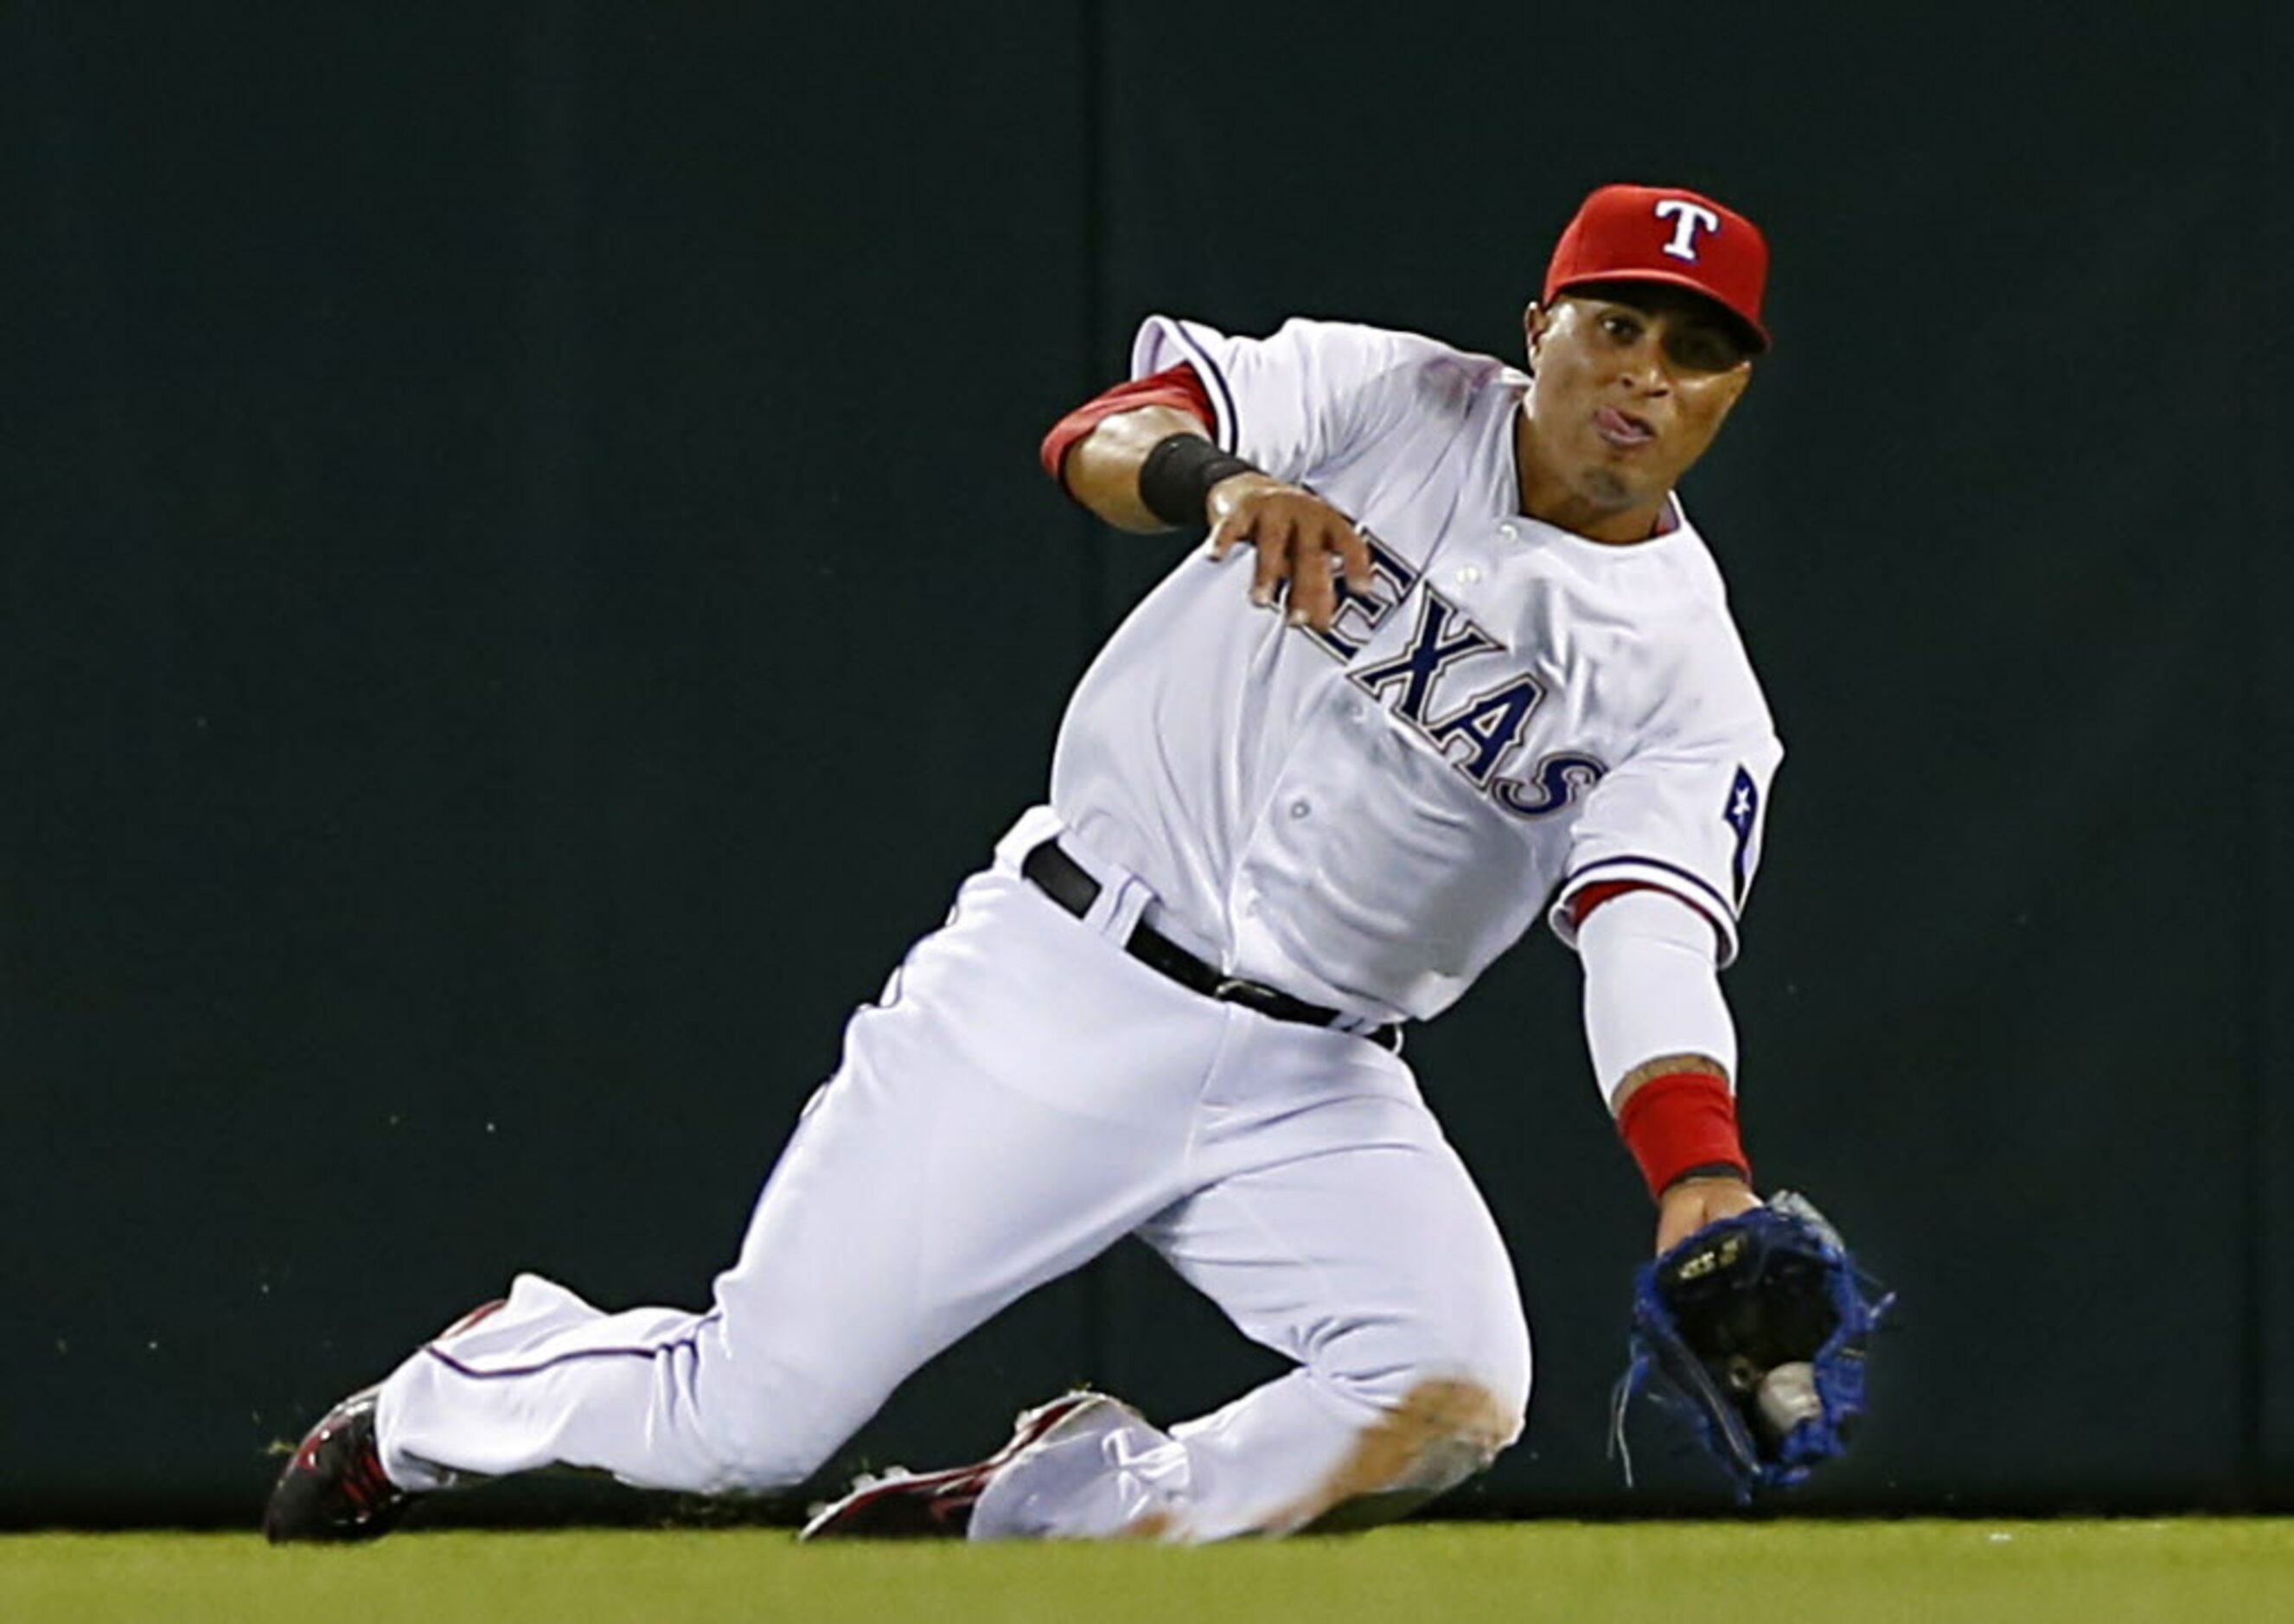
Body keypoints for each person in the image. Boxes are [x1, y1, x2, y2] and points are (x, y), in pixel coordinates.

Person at [266, 182, 1783, 1545]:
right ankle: (455, 1393)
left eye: (1694, 348)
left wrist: (1696, 1173)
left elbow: (1646, 930)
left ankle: (1060, 1501)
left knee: (1451, 1386)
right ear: (1541, 328)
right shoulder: (1383, 393)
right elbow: (1101, 431)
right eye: (1616, 321)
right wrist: (1220, 484)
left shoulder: (1689, 680)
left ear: (1735, 389)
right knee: (742, 1425)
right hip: (1061, 983)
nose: (1644, 372)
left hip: (1315, 1077)